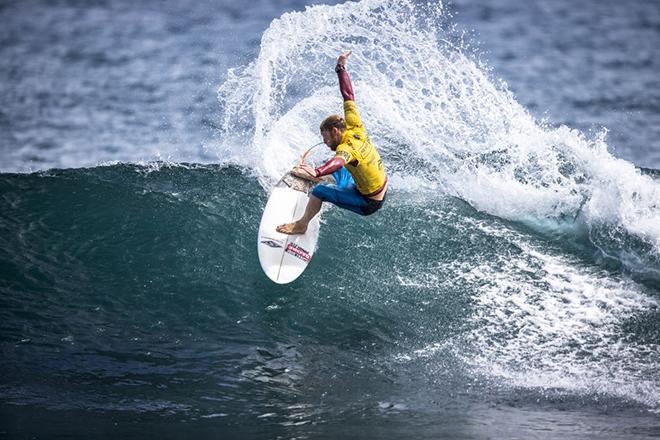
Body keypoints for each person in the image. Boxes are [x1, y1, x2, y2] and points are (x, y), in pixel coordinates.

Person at [276, 50, 388, 235]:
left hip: (368, 202)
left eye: (325, 137)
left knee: (320, 191)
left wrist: (318, 171)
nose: (325, 142)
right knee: (339, 170)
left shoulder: (346, 149)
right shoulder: (354, 125)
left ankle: (301, 225)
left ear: (335, 131)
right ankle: (318, 177)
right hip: (377, 187)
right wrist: (341, 68)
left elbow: (338, 160)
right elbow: (348, 95)